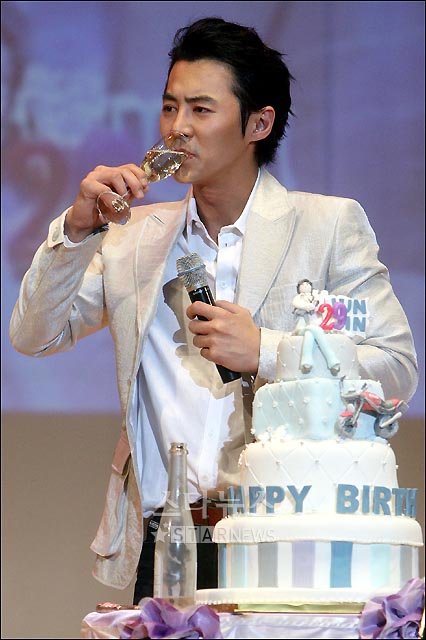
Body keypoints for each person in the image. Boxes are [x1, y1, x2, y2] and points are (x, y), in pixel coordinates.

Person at [9, 17, 418, 602]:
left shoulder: (326, 226)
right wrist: (75, 231)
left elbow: (396, 369)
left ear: (259, 123)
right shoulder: (133, 238)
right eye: (169, 107)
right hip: (166, 537)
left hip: (279, 539)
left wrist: (268, 351)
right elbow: (34, 336)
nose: (177, 127)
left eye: (201, 110)